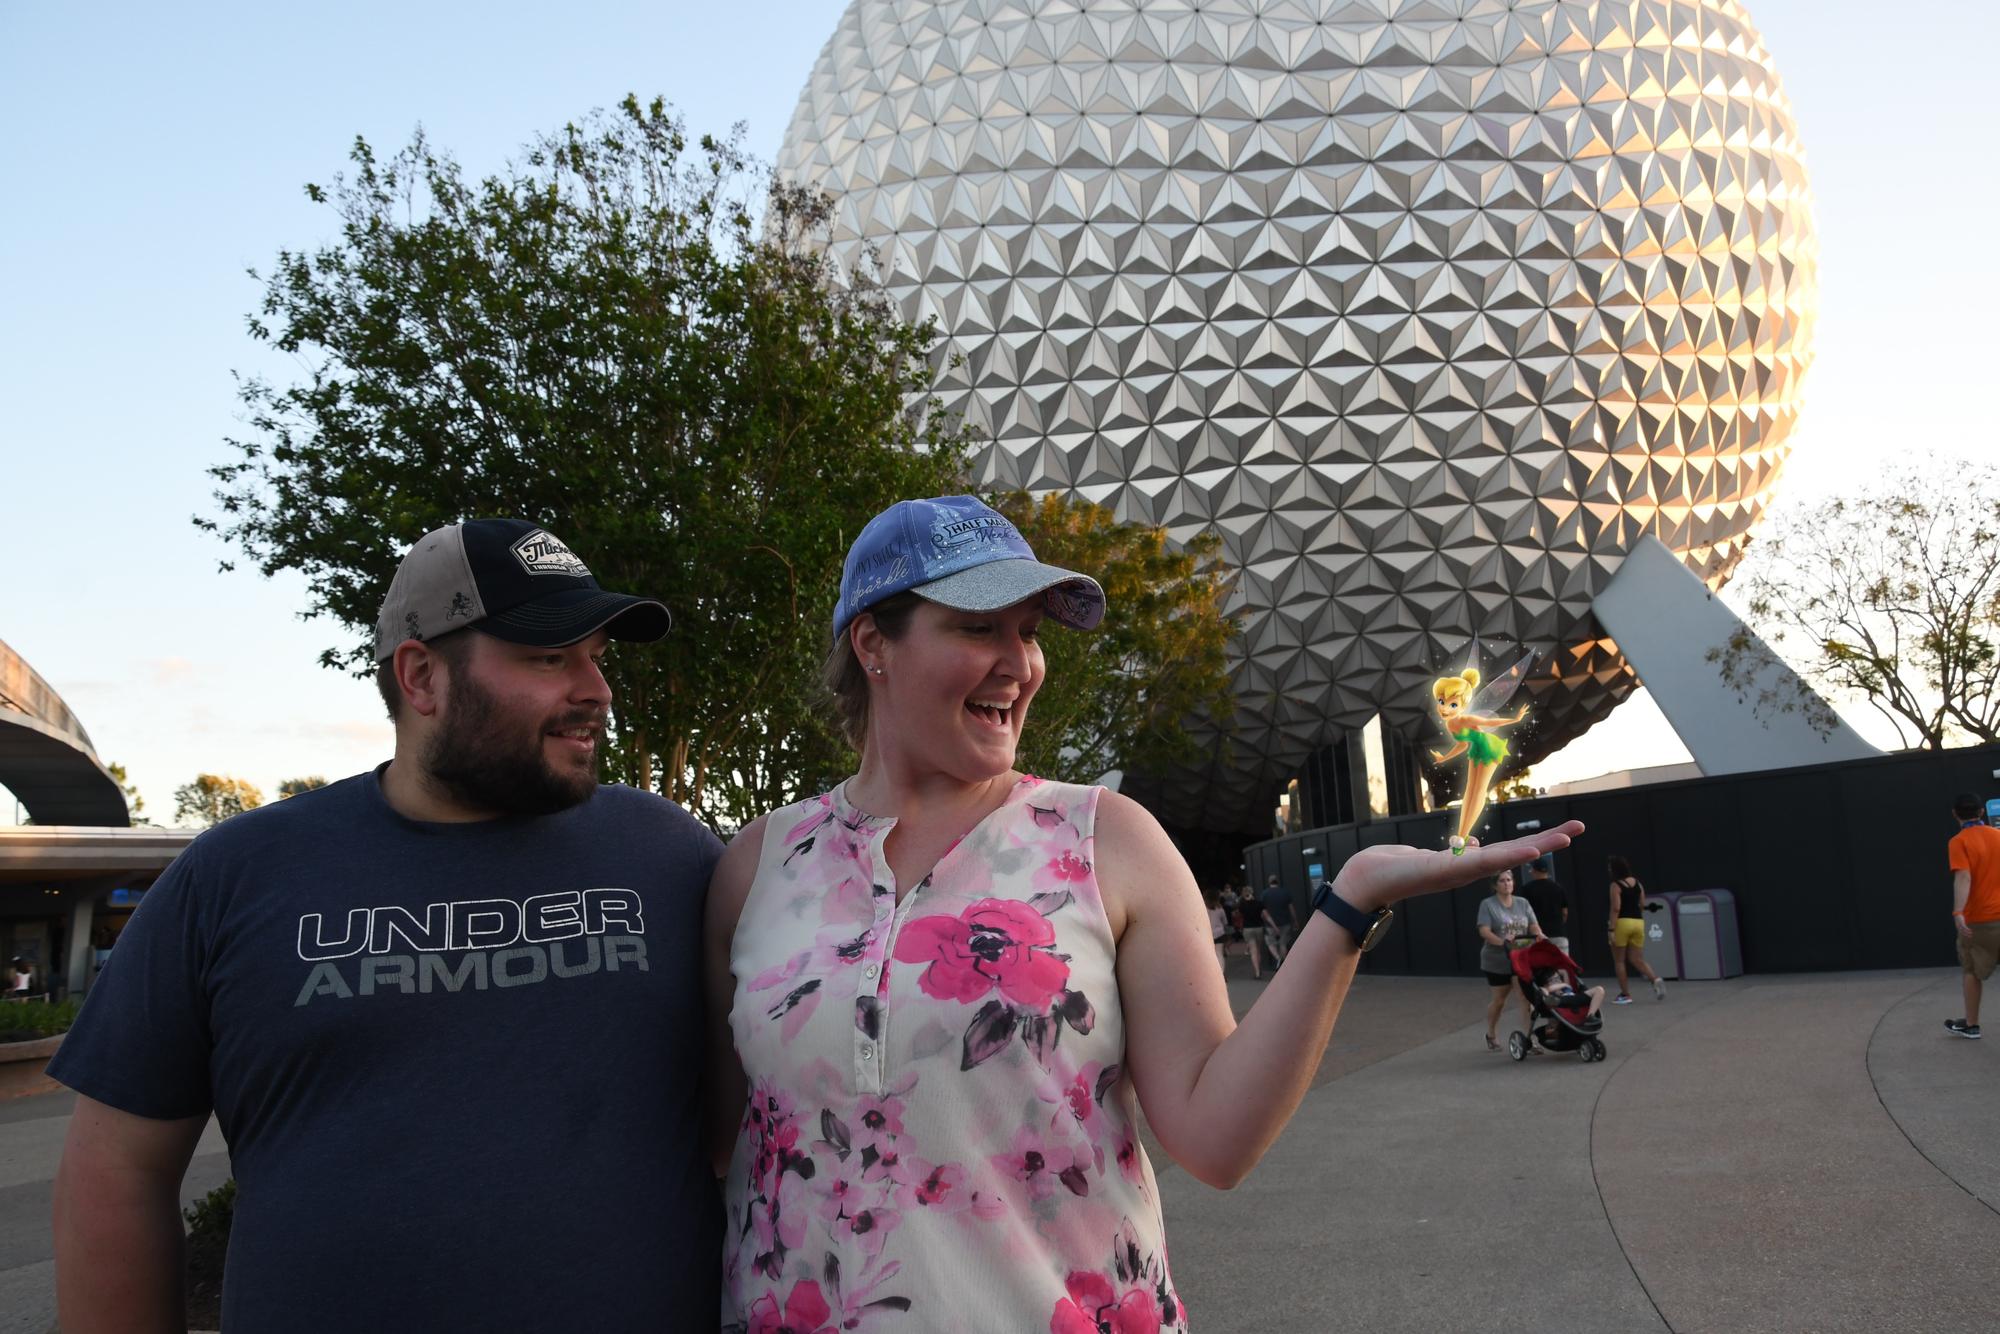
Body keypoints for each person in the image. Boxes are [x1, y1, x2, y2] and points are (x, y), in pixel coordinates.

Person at [703, 494, 1584, 1329]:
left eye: (1028, 632)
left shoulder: (1104, 839)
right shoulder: (759, 867)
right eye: (978, 628)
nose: (1020, 663)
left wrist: (1348, 905)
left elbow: (1215, 1137)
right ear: (873, 643)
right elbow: (713, 1143)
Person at [49, 519, 724, 1332]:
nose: (597, 690)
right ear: (421, 676)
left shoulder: (669, 854)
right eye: (550, 657)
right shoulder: (236, 873)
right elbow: (117, 1171)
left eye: (597, 657)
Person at [1946, 793, 2000, 1038]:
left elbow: (1963, 876)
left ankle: (1971, 1024)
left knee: (1971, 970)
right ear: (1981, 812)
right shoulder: (1998, 836)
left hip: (1979, 920)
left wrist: (1958, 911)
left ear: (1955, 814)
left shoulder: (1959, 842)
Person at [1476, 869, 1543, 1051]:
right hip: (1497, 960)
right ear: (1495, 885)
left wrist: (1539, 935)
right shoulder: (1488, 905)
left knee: (1525, 998)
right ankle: (1491, 1033)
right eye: (1502, 881)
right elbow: (1484, 931)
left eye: (1509, 880)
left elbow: (1533, 925)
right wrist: (1503, 943)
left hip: (1520, 958)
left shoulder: (1522, 903)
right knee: (1499, 1000)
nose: (1507, 884)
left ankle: (1529, 1039)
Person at [1607, 854, 1666, 1003]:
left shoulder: (1615, 885)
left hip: (1622, 923)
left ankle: (1625, 995)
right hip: (1638, 922)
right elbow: (1642, 904)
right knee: (1637, 959)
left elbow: (1616, 908)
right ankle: (1655, 979)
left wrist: (1612, 929)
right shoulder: (1638, 883)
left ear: (1615, 869)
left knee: (1619, 961)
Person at [1520, 857, 1570, 953]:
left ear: (1534, 870)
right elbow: (1565, 912)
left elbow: (1524, 913)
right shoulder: (1558, 888)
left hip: (1537, 937)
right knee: (1561, 962)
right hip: (1558, 934)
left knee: (1539, 962)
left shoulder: (1527, 889)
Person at [1260, 874, 1300, 966]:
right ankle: (1284, 964)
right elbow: (1291, 909)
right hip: (1285, 923)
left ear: (1269, 882)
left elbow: (1262, 911)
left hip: (1270, 925)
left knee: (1270, 943)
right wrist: (1295, 921)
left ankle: (1278, 958)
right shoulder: (1285, 893)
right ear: (1277, 881)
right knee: (1283, 943)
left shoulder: (1264, 894)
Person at [1205, 890, 1229, 971]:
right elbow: (1225, 922)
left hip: (1207, 934)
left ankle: (1212, 972)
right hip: (1219, 933)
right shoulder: (1220, 909)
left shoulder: (1203, 909)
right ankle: (1221, 973)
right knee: (1219, 954)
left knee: (1210, 955)